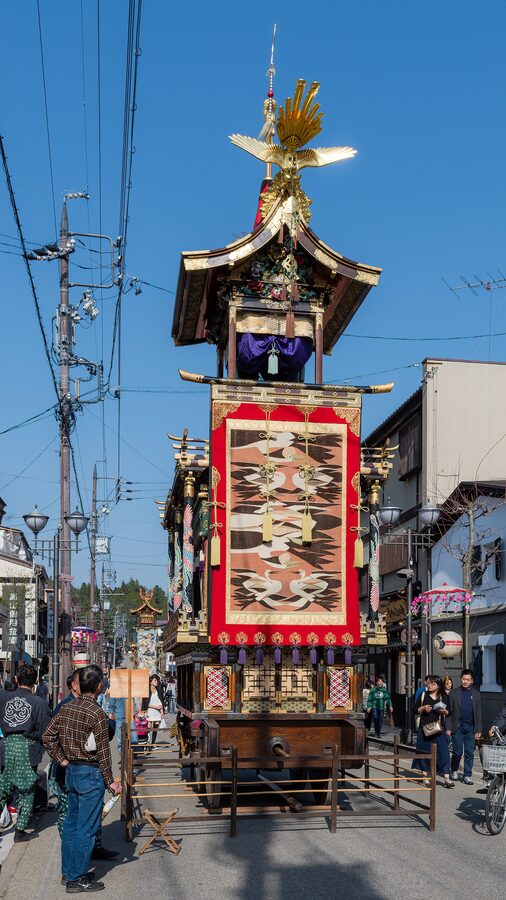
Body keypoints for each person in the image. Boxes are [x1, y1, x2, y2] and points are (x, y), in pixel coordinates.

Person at [43, 664, 121, 893]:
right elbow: (104, 754)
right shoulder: (96, 712)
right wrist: (111, 782)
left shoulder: (67, 708)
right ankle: (77, 879)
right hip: (90, 774)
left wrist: (61, 759)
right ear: (98, 686)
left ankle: (68, 874)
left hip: (72, 772)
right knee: (86, 829)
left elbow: (47, 736)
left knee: (71, 826)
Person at [0, 664, 51, 841]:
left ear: (15, 679)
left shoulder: (4, 698)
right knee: (27, 789)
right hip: (27, 747)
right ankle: (20, 830)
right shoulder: (39, 703)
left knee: (3, 786)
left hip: (6, 746)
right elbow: (45, 730)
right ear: (36, 681)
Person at [412, 675, 454, 788]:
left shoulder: (443, 696)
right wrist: (423, 708)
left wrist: (443, 711)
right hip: (424, 728)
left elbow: (449, 712)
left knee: (444, 752)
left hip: (439, 728)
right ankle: (425, 776)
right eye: (429, 683)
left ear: (438, 685)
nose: (430, 686)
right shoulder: (423, 695)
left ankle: (446, 778)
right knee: (424, 752)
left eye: (433, 683)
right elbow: (415, 709)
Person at [447, 668, 482, 785]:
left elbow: (478, 713)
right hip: (457, 726)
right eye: (463, 679)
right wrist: (448, 727)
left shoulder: (476, 694)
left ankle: (467, 775)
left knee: (469, 752)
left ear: (471, 681)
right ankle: (454, 770)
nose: (465, 681)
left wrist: (478, 729)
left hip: (470, 727)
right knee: (457, 752)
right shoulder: (454, 693)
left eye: (468, 679)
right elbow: (448, 711)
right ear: (461, 679)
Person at [141, 675, 164, 744]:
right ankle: (146, 742)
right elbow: (145, 703)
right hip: (149, 712)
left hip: (157, 713)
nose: (156, 682)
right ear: (150, 682)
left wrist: (162, 712)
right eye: (155, 680)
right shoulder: (147, 691)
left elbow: (161, 703)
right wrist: (154, 707)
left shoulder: (159, 691)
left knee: (155, 729)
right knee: (148, 729)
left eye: (157, 680)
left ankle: (152, 744)